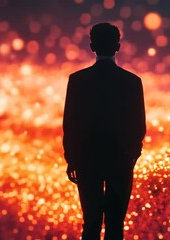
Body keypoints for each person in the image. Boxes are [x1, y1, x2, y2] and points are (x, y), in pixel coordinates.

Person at [63, 22, 146, 240]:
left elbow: (70, 124)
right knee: (115, 224)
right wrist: (131, 157)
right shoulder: (132, 82)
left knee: (91, 222)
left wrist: (71, 159)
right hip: (120, 161)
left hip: (87, 160)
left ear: (92, 46)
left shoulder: (77, 80)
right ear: (118, 46)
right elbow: (139, 126)